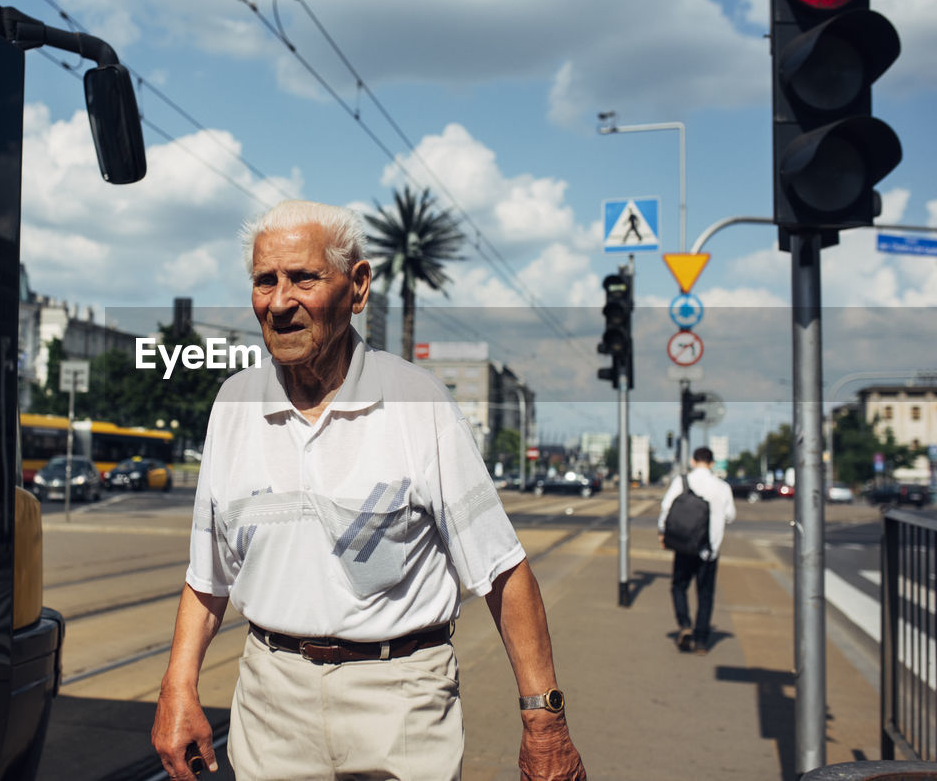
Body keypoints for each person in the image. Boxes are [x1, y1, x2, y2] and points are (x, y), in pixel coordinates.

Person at [151, 201, 585, 781]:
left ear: (357, 288)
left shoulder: (419, 403)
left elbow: (503, 571)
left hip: (399, 698)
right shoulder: (233, 406)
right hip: (270, 700)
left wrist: (544, 721)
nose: (279, 302)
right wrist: (177, 689)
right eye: (264, 281)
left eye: (303, 278)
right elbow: (207, 577)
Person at [657, 446, 736, 655]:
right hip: (710, 550)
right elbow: (730, 516)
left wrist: (662, 533)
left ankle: (685, 625)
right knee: (705, 594)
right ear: (711, 464)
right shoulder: (722, 487)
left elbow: (666, 508)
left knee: (678, 586)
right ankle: (701, 641)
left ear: (693, 461)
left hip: (684, 546)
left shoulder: (681, 482)